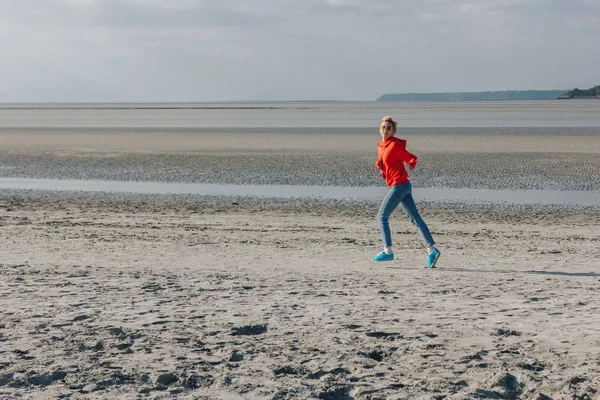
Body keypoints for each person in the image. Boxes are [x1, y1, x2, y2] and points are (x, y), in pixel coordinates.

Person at [372, 116, 441, 268]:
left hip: (399, 186)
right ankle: (432, 250)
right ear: (379, 129)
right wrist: (382, 169)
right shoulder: (382, 145)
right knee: (415, 219)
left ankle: (387, 251)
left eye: (388, 128)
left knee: (382, 216)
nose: (385, 130)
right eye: (383, 128)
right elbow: (385, 162)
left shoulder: (395, 146)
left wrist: (411, 163)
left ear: (393, 131)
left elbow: (411, 157)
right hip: (403, 185)